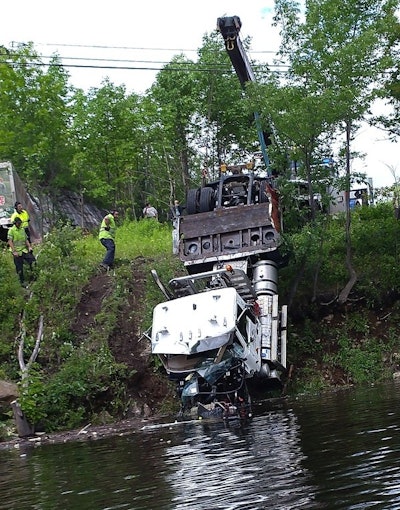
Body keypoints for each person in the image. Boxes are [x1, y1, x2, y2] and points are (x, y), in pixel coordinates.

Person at [7, 217, 34, 286]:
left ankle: (33, 276)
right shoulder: (11, 230)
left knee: (32, 261)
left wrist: (29, 247)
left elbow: (26, 239)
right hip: (16, 251)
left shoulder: (22, 229)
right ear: (15, 223)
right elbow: (10, 241)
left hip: (23, 250)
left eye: (20, 223)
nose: (19, 224)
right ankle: (22, 282)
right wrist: (14, 251)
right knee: (19, 267)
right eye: (18, 223)